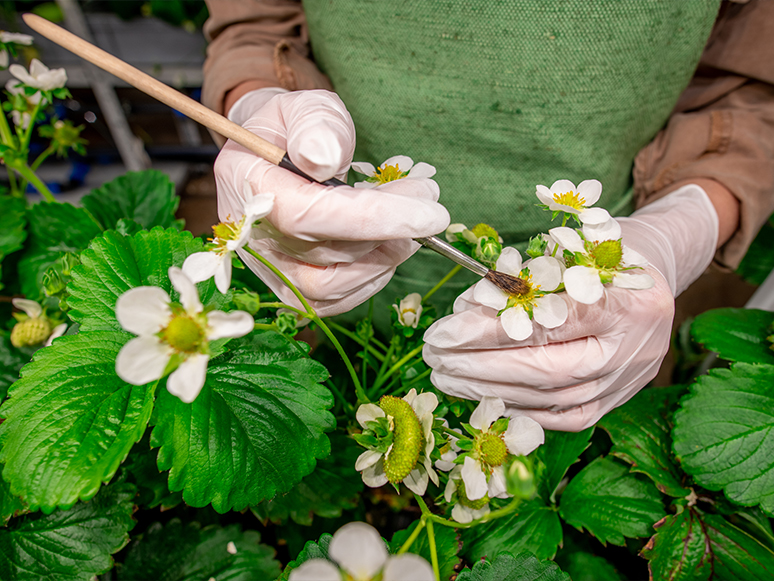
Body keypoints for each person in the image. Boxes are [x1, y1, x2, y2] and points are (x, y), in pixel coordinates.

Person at [201, 0, 774, 431]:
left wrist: (681, 228)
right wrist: (260, 107)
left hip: (605, 315)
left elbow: (755, 90)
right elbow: (254, 26)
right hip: (322, 273)